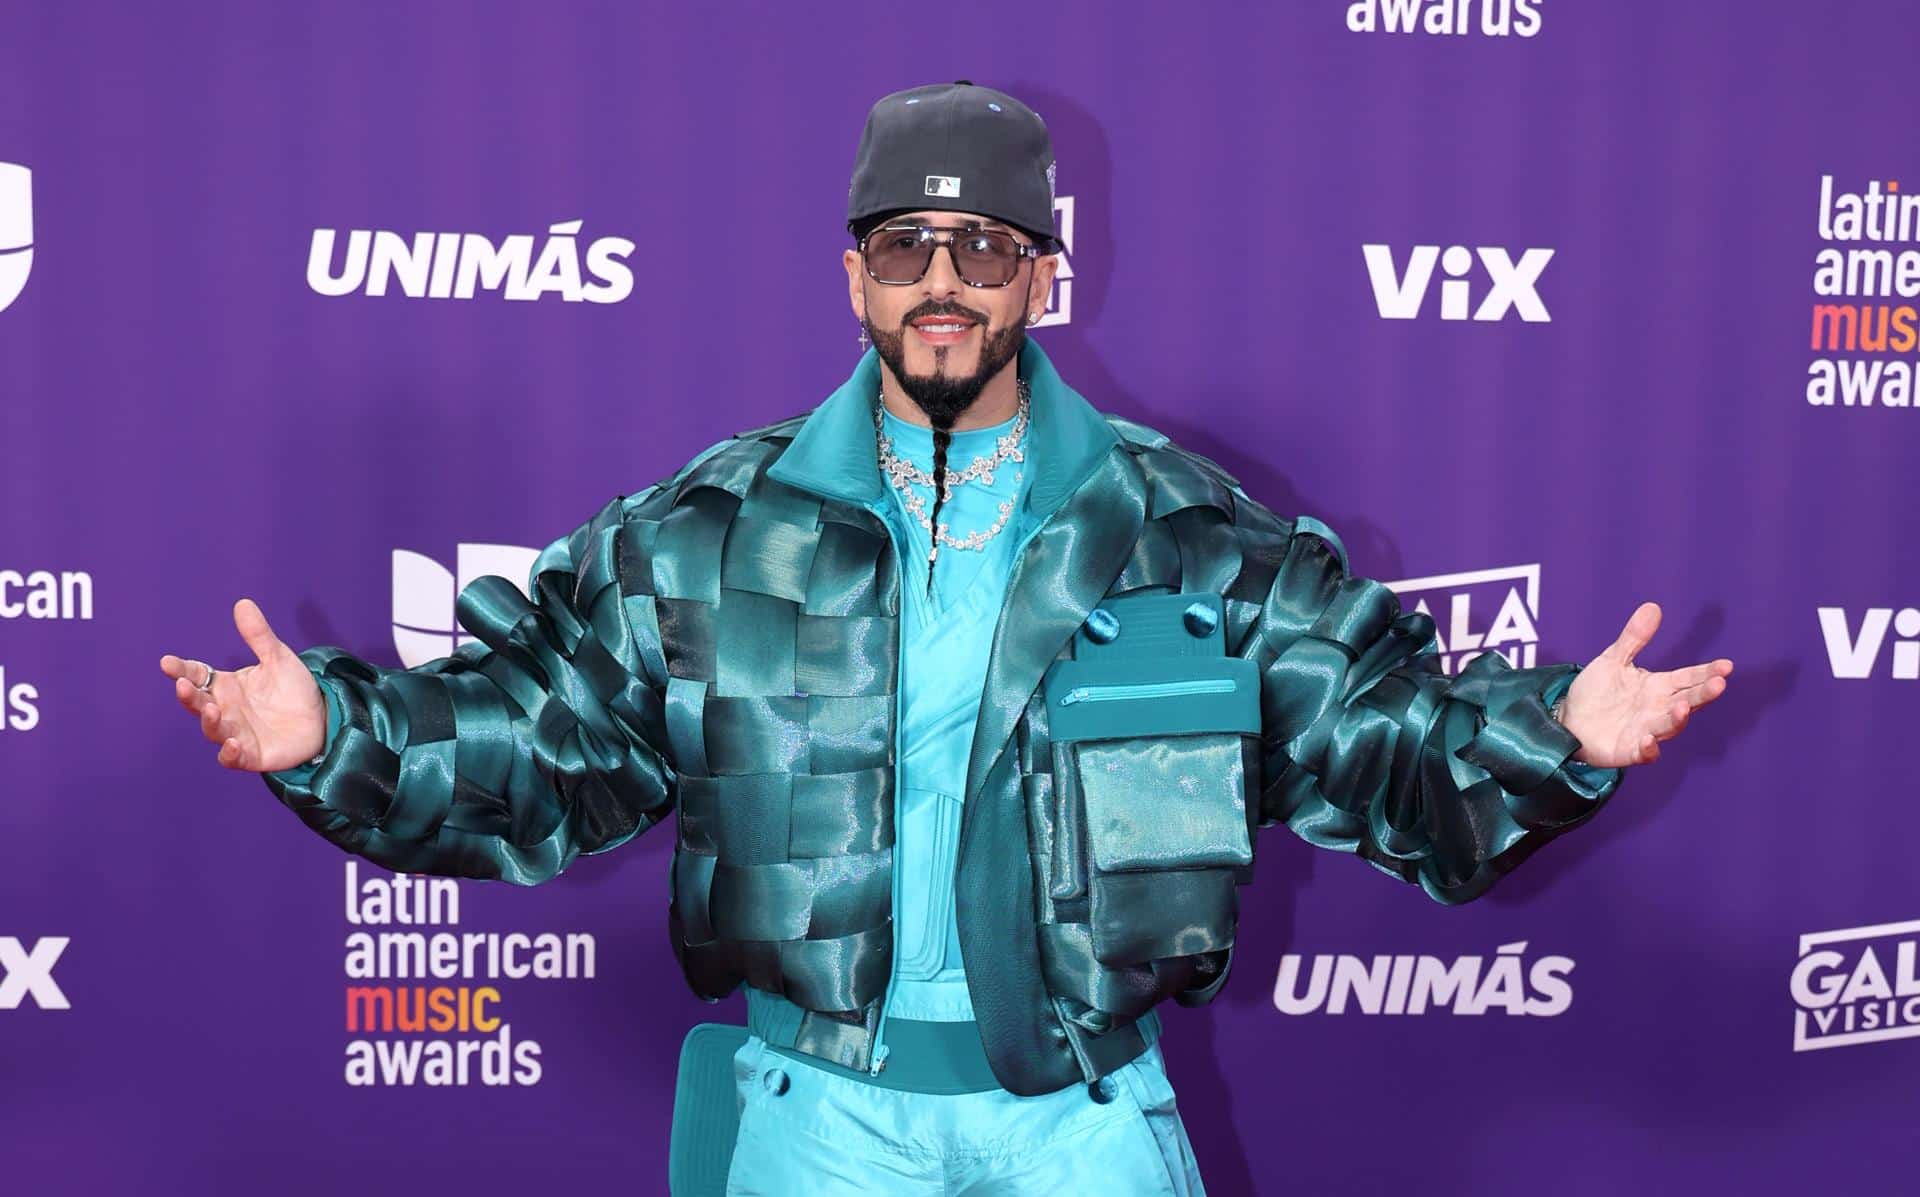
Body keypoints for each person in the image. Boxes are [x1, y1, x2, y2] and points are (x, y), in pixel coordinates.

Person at [157, 80, 1734, 1196]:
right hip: (815, 1120)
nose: (942, 283)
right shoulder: (715, 528)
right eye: (906, 245)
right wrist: (334, 738)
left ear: (1047, 273)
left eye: (984, 249)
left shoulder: (1178, 524)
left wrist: (1558, 737)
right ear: (853, 272)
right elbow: (544, 741)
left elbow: (1377, 743)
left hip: (1084, 1124)